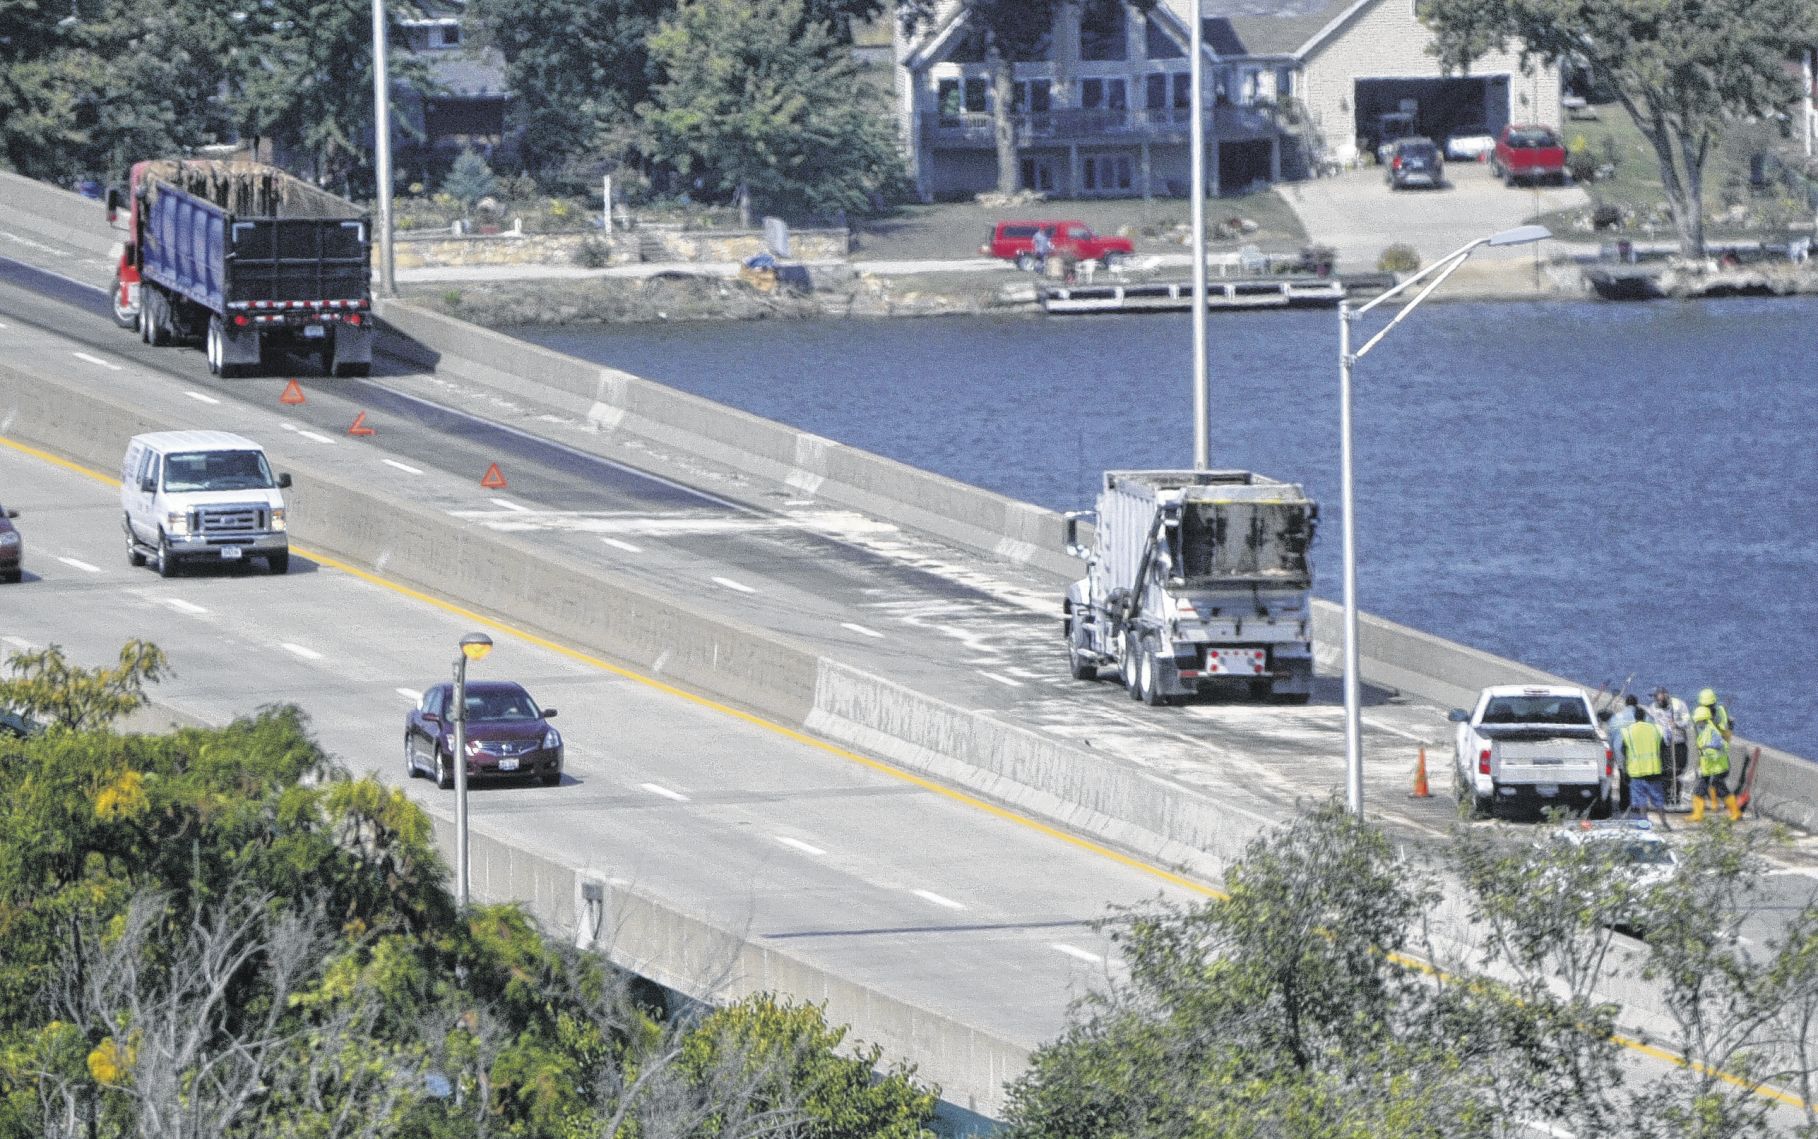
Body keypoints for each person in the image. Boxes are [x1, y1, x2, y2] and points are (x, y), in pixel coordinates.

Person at [1617, 711, 1669, 829]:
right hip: (1654, 770)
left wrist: (1625, 769)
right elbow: (1664, 748)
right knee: (1658, 799)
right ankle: (1664, 823)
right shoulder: (1655, 729)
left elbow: (1623, 751)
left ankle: (1644, 825)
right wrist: (1665, 768)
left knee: (1641, 801)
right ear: (1645, 717)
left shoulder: (1628, 731)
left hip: (1636, 772)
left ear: (1634, 717)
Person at [1690, 705, 1740, 822]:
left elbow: (1720, 745)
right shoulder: (1704, 731)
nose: (1697, 724)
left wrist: (1707, 746)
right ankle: (1697, 815)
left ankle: (1735, 812)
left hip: (1718, 766)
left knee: (1721, 790)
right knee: (1699, 791)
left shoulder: (1711, 730)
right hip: (1709, 768)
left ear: (1703, 720)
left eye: (1698, 721)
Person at [1648, 686, 1692, 806]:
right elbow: (1650, 723)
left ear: (1665, 695)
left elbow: (1687, 722)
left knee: (1677, 771)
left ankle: (1675, 797)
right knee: (1665, 772)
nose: (1656, 700)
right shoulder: (1652, 708)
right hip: (1664, 744)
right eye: (1654, 698)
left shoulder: (1678, 705)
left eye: (1658, 697)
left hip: (1678, 743)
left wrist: (1676, 724)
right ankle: (1665, 799)